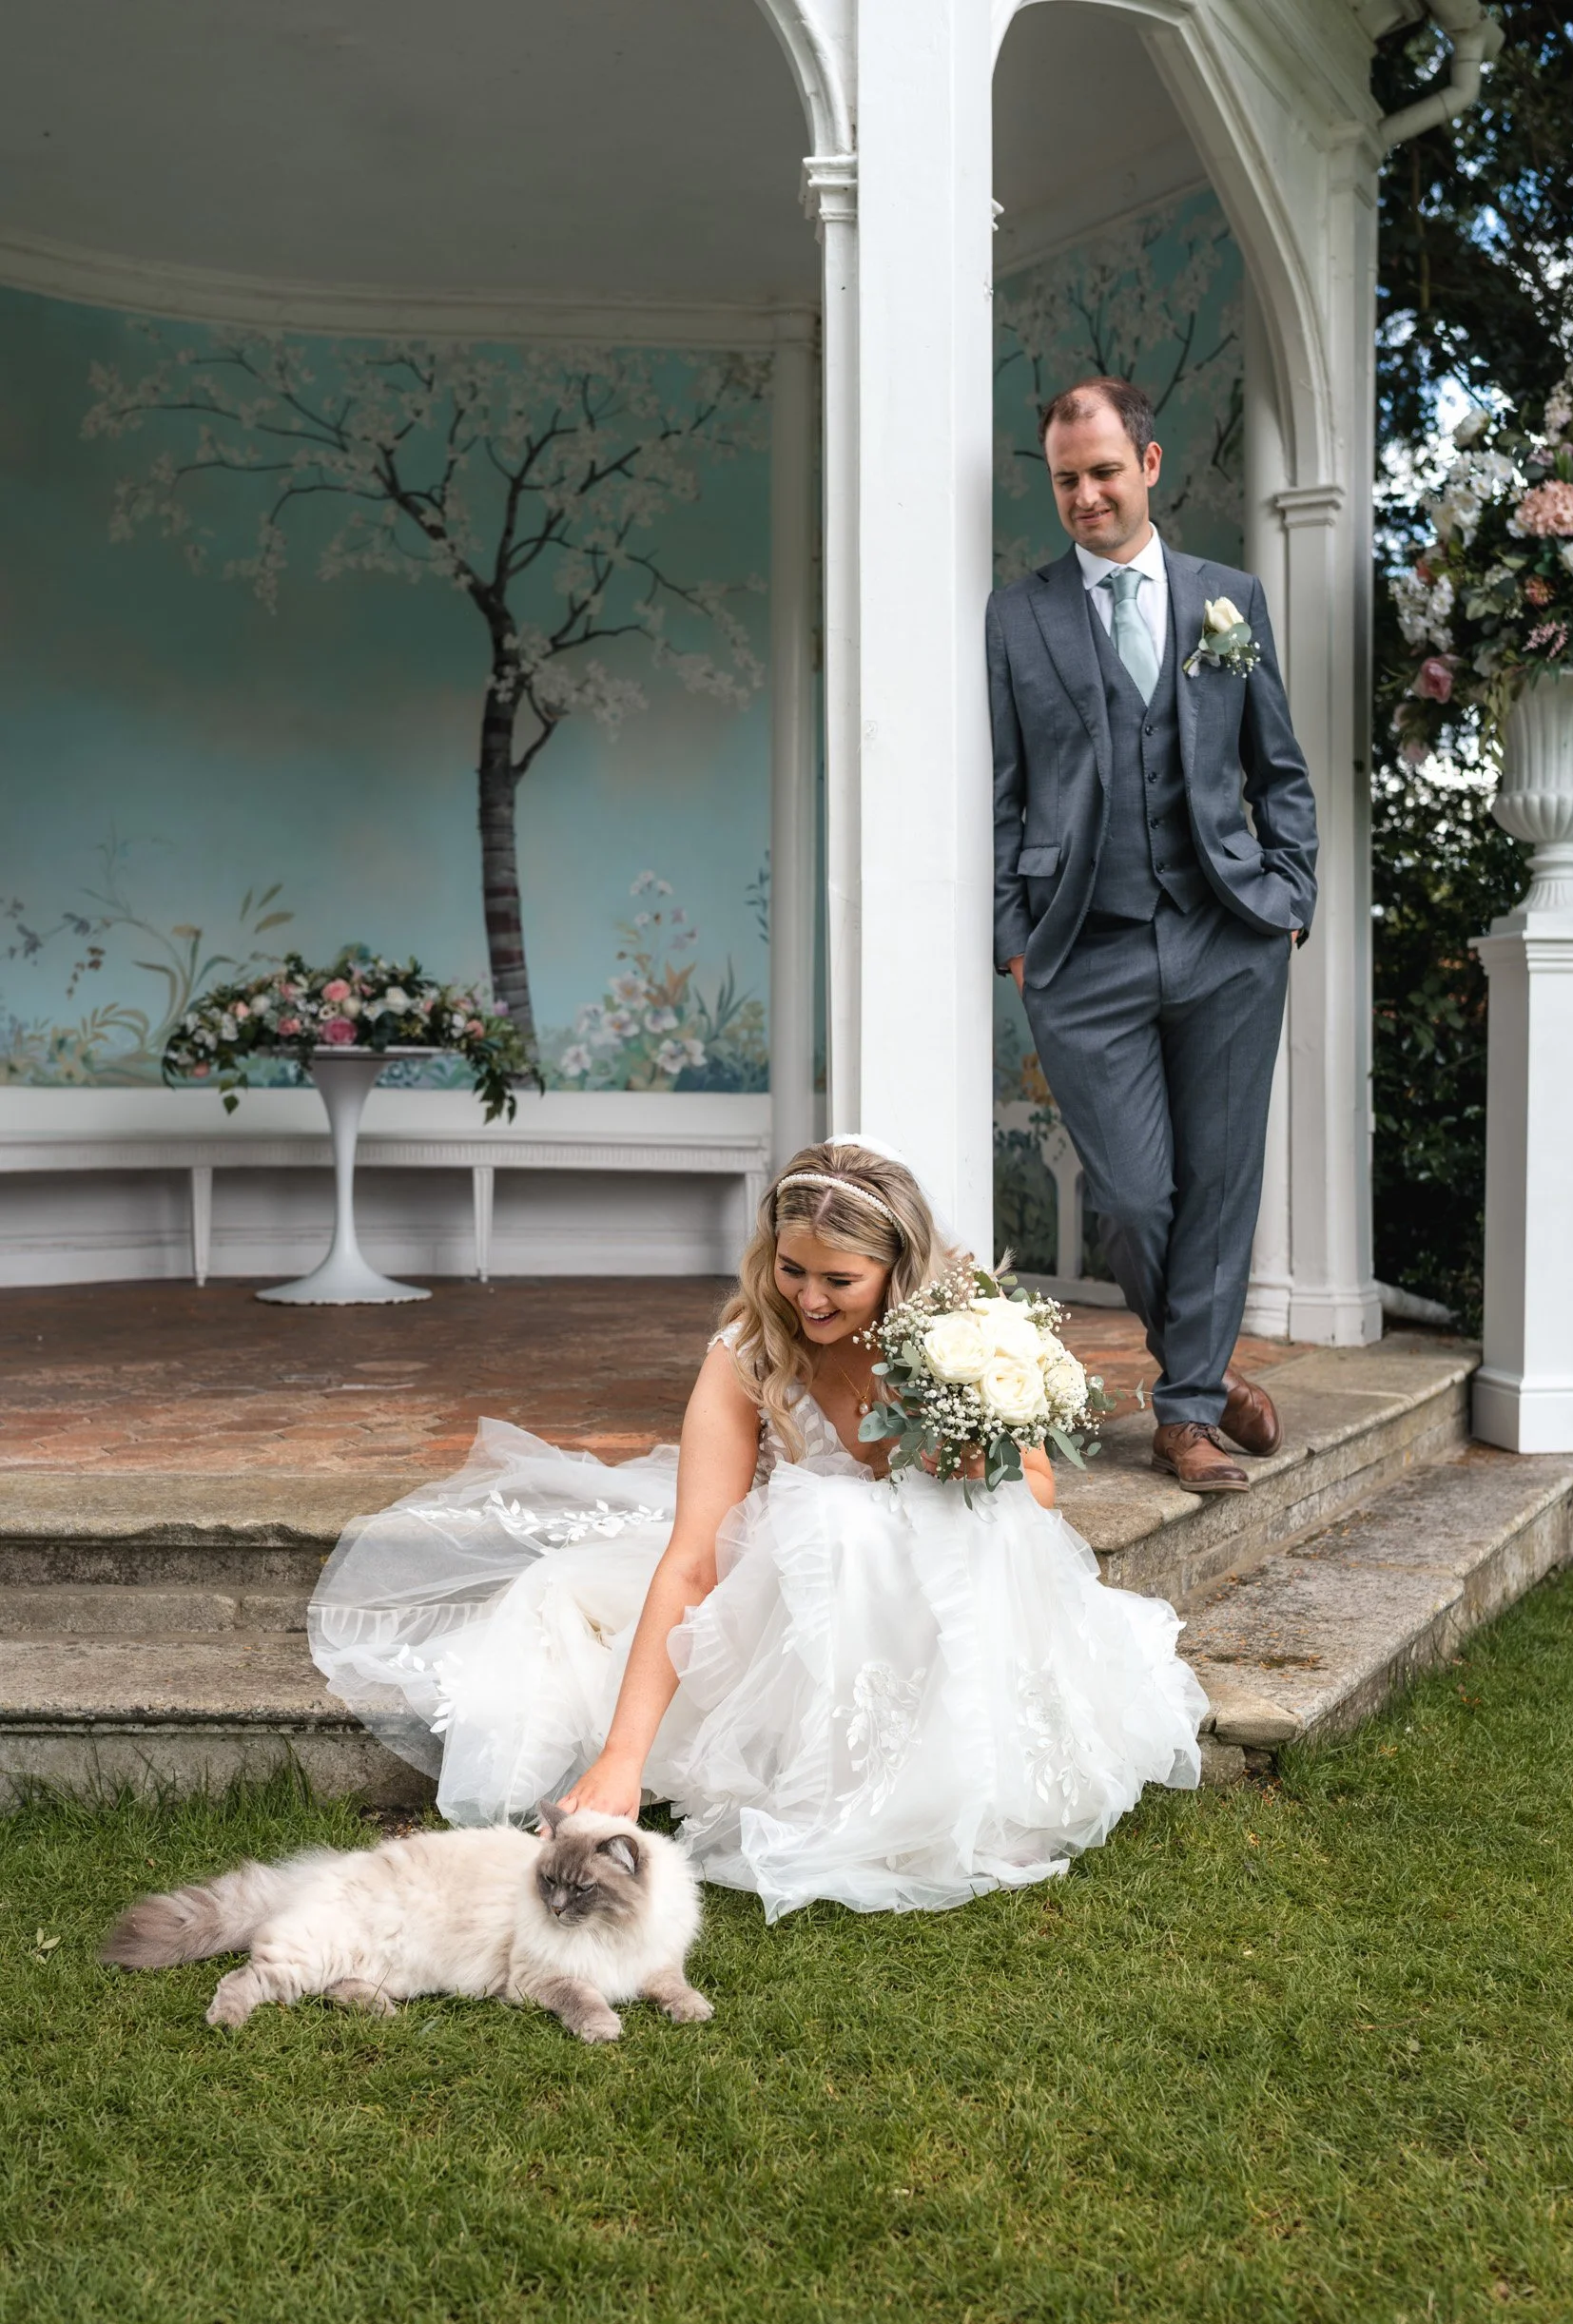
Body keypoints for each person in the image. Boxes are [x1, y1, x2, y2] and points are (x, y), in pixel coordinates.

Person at [309, 1139, 1207, 1921]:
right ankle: (839, 1778)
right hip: (799, 1599)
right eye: (791, 1269)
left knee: (920, 1520)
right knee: (836, 1516)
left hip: (951, 1593)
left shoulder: (965, 1332)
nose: (808, 1299)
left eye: (838, 1280)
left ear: (897, 1268)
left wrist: (966, 1461)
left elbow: (1036, 1494)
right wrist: (622, 1757)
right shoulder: (750, 1350)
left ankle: (965, 1768)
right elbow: (693, 1559)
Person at [987, 375, 1318, 1494]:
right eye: (1064, 479)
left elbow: (1276, 766)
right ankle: (1205, 1371)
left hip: (1229, 935)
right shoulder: (1017, 614)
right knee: (1134, 1196)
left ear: (1149, 465)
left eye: (1101, 472)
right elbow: (1002, 787)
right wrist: (1014, 936)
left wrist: (1287, 898)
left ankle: (1183, 1417)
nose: (1083, 495)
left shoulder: (1227, 599)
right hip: (1080, 949)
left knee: (1219, 1182)